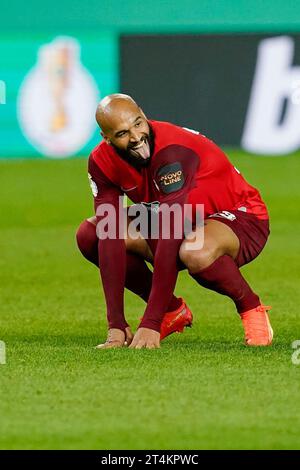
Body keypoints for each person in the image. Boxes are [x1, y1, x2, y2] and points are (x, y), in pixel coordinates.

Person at [76, 93, 273, 350]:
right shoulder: (102, 162)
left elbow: (170, 236)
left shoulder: (172, 150)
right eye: (123, 133)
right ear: (107, 138)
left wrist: (151, 322)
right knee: (91, 234)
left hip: (241, 215)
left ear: (144, 115)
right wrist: (115, 324)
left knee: (195, 250)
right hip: (181, 219)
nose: (136, 137)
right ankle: (172, 310)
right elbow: (110, 232)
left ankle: (250, 306)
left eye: (138, 123)